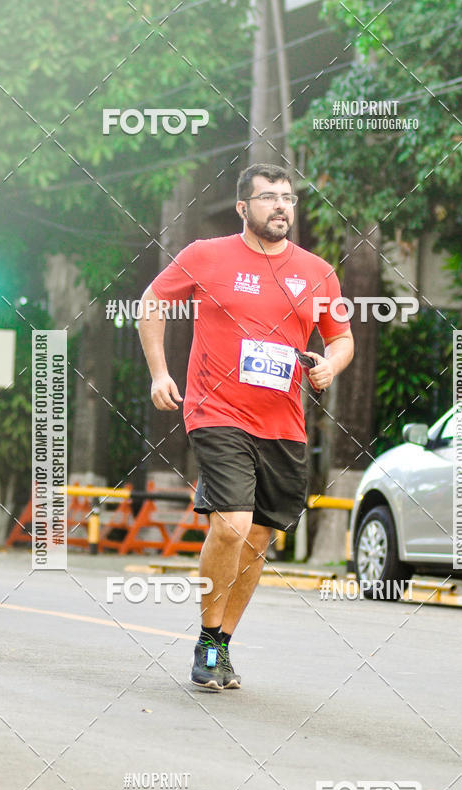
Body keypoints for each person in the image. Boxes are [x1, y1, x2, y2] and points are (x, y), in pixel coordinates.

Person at [138, 162, 353, 690]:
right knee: (231, 523)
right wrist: (160, 373)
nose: (281, 206)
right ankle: (207, 642)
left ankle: (222, 644)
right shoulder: (205, 256)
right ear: (243, 207)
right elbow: (152, 303)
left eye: (288, 198)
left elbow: (342, 337)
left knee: (257, 539)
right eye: (268, 197)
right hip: (216, 412)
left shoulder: (319, 271)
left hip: (283, 424)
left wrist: (331, 364)